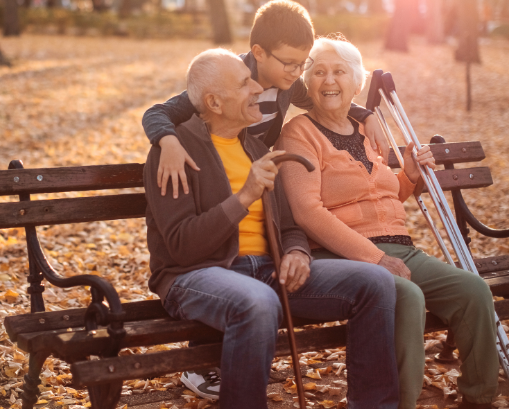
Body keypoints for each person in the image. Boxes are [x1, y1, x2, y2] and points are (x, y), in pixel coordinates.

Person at [145, 48, 400, 409]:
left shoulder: (254, 147)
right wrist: (244, 195)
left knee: (375, 282)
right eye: (243, 83)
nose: (256, 89)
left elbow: (289, 224)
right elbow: (181, 246)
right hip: (195, 275)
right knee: (258, 302)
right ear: (214, 102)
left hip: (266, 270)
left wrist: (296, 251)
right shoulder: (173, 153)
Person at [276, 35, 499, 409]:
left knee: (473, 291)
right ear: (307, 83)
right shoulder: (298, 134)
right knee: (407, 296)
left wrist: (409, 175)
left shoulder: (365, 129)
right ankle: (401, 404)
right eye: (318, 73)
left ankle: (479, 399)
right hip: (343, 257)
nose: (329, 81)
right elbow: (307, 212)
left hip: (401, 249)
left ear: (356, 81)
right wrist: (375, 259)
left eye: (339, 72)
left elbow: (384, 197)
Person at [142, 0, 389, 201]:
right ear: (259, 53)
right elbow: (156, 113)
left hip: (254, 176)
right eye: (289, 63)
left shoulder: (289, 85)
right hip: (212, 176)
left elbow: (322, 98)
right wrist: (169, 143)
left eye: (303, 64)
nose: (296, 72)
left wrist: (365, 116)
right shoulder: (228, 80)